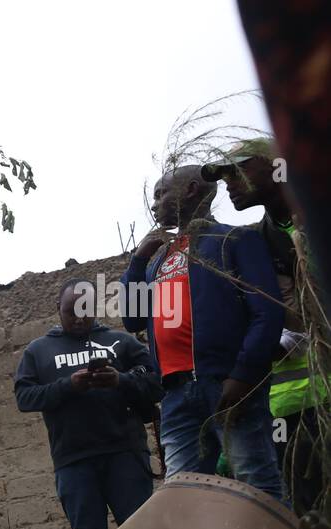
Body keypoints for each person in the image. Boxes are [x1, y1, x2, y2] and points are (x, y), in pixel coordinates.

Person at [120, 164, 286, 501]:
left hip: (227, 385)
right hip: (177, 394)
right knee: (183, 497)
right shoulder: (157, 261)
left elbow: (267, 313)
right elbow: (134, 319)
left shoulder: (234, 239)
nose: (154, 205)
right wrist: (137, 261)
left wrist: (242, 375)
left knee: (256, 486)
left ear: (192, 189)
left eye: (161, 194)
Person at [204, 137, 328, 514]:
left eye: (238, 170)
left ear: (279, 166)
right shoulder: (255, 242)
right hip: (297, 408)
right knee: (308, 517)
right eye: (223, 177)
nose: (229, 183)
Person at [16, 280, 164, 529]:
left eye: (86, 310)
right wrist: (68, 385)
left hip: (125, 454)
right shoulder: (38, 351)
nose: (79, 318)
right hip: (73, 461)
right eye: (71, 312)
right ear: (57, 309)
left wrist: (120, 380)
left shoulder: (122, 342)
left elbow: (157, 383)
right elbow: (24, 398)